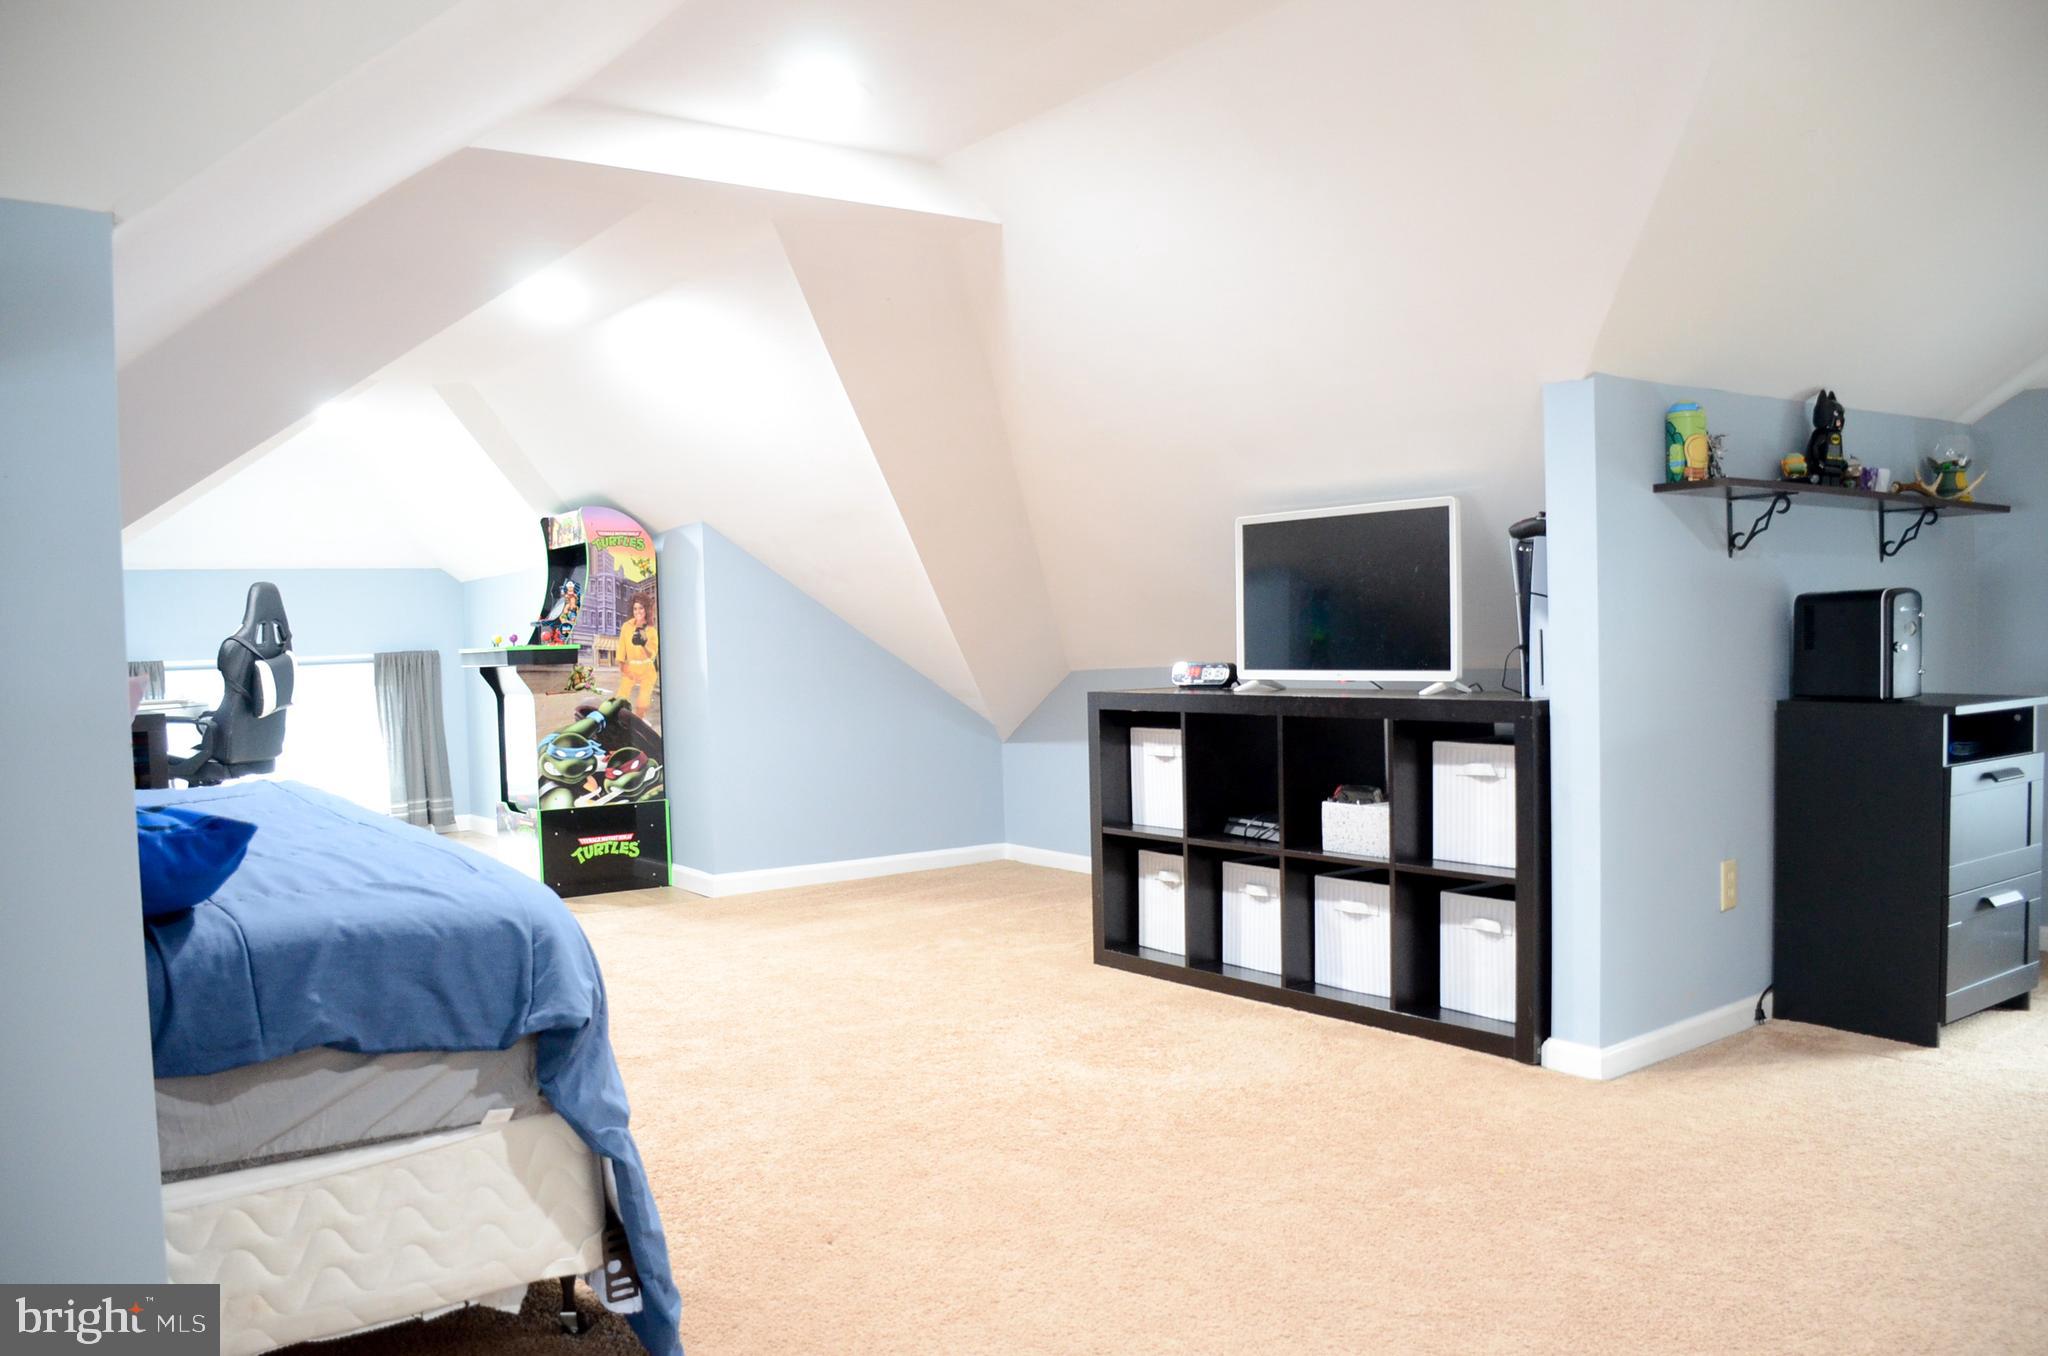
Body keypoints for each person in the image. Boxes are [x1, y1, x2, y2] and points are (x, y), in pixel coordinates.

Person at [616, 593, 659, 714]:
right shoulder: (626, 626)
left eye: (641, 608)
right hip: (631, 668)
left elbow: (652, 655)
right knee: (619, 699)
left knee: (642, 702)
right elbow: (621, 649)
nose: (637, 611)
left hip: (647, 670)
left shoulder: (651, 630)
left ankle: (639, 721)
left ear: (646, 609)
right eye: (635, 608)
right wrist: (622, 667)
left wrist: (643, 644)